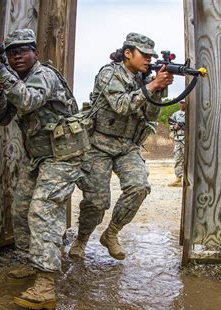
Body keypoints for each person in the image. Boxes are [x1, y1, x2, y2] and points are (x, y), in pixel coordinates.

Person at [0, 28, 88, 310]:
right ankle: (34, 262)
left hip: (63, 156)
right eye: (11, 52)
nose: (16, 56)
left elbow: (28, 100)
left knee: (42, 210)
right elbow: (2, 120)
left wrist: (1, 71)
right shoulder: (18, 80)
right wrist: (0, 92)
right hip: (38, 157)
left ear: (35, 53)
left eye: (23, 50)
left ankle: (45, 284)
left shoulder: (45, 76)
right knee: (20, 209)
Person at [69, 32, 173, 260]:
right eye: (143, 55)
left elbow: (151, 114)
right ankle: (81, 239)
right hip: (99, 144)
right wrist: (153, 84)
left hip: (127, 145)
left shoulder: (143, 79)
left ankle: (111, 233)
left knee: (139, 187)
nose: (148, 60)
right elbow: (121, 106)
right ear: (128, 53)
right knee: (96, 201)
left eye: (151, 56)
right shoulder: (109, 74)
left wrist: (158, 89)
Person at [168, 101, 186, 187]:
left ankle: (189, 179)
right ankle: (178, 179)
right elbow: (170, 126)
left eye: (184, 103)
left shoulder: (192, 113)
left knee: (189, 160)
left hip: (188, 140)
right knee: (178, 158)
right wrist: (174, 127)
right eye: (181, 103)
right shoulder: (176, 114)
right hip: (178, 140)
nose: (182, 104)